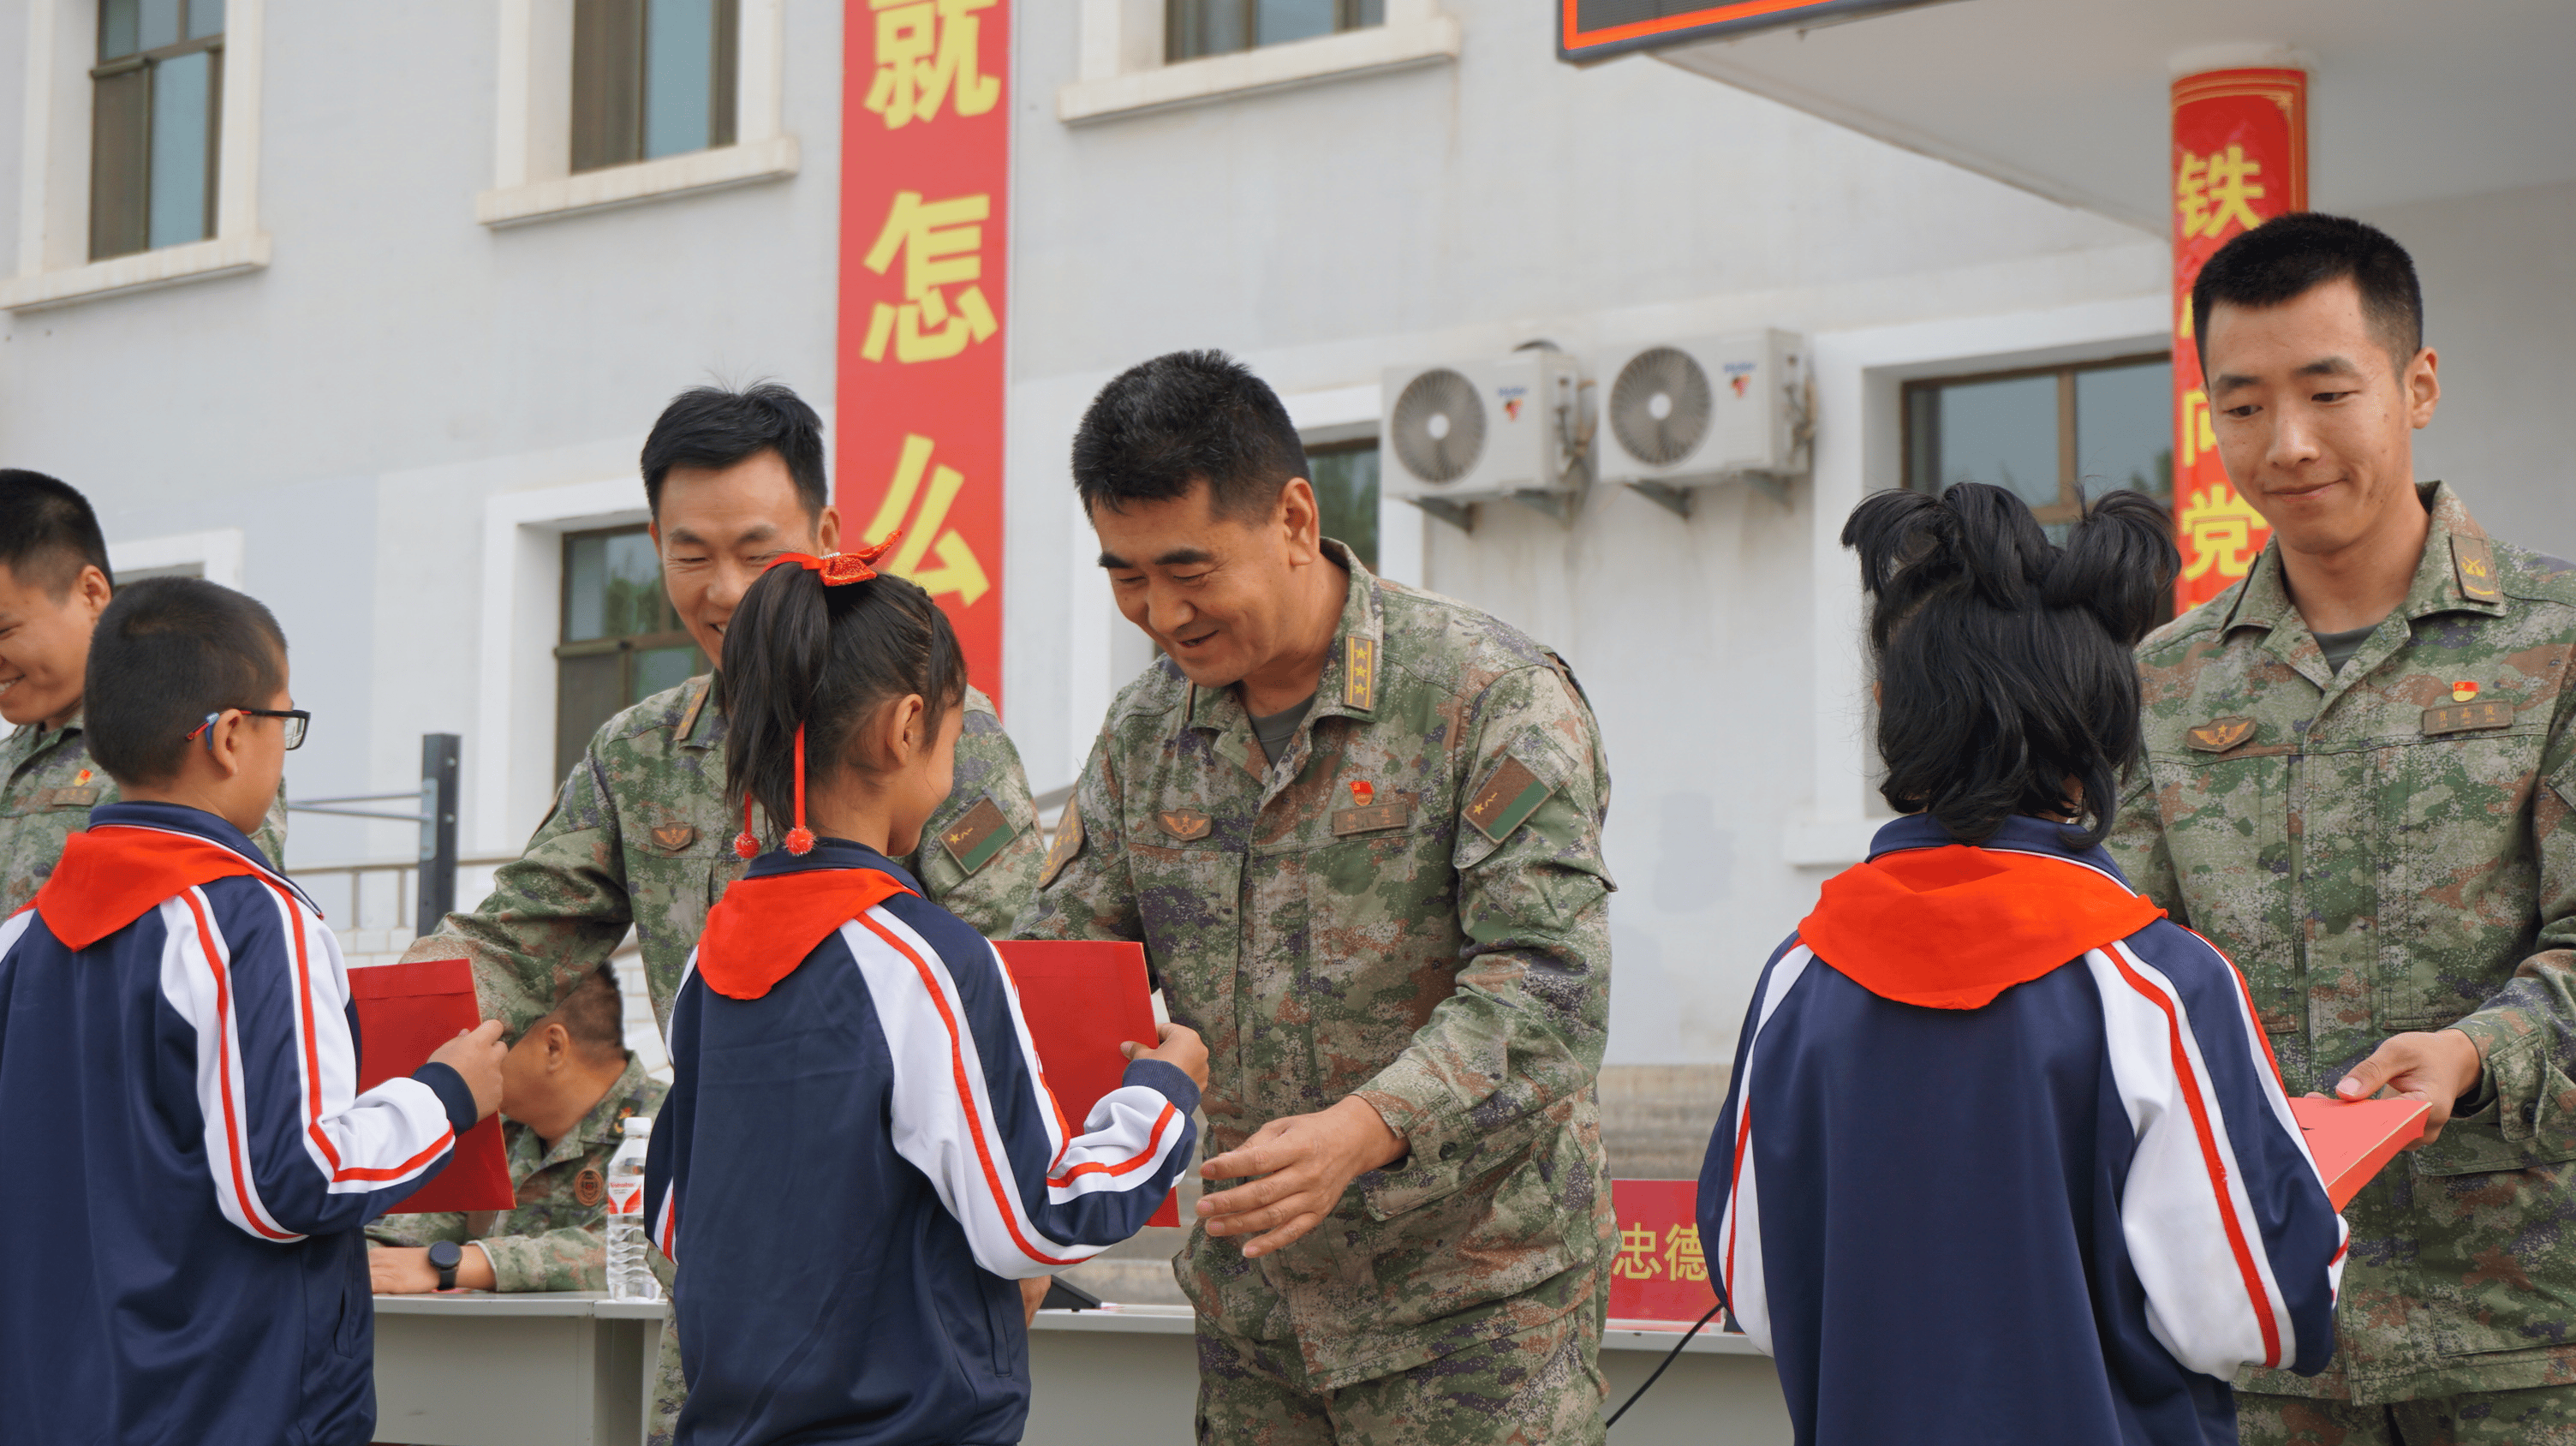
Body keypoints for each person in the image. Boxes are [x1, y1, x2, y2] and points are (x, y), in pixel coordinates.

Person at [400, 382, 1046, 1437]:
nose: (726, 588)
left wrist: (1024, 1228)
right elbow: (514, 940)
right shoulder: (638, 753)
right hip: (724, 1297)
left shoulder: (935, 735)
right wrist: (338, 1015)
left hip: (904, 1298)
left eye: (757, 547)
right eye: (689, 553)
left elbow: (1021, 966)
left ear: (829, 536)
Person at [1015, 350, 1618, 1443]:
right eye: (1126, 575)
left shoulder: (1486, 697)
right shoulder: (1147, 735)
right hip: (1256, 1322)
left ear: (1293, 516)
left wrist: (1363, 1127)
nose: (1160, 611)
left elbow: (1548, 984)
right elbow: (1060, 972)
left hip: (1471, 1320)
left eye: (1189, 569)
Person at [1701, 482, 2345, 1446]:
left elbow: (1751, 1285)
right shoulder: (2156, 984)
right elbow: (2259, 1310)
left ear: (1892, 715)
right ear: (2100, 733)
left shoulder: (1798, 976)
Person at [2107, 213, 2576, 1443]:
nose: (2289, 444)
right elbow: (2125, 966)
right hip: (2265, 1330)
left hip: (2523, 1337)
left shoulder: (2557, 643)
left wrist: (2478, 1054)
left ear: (2418, 384)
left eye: (2328, 391)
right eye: (2245, 404)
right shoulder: (2167, 679)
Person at [644, 542, 1205, 1444]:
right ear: (907, 728)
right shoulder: (927, 959)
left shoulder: (707, 959)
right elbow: (1032, 1221)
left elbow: (674, 1216)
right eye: (950, 736)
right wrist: (1162, 1096)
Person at [0, 577, 508, 1445]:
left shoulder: (22, 936)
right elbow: (286, 1183)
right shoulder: (249, 917)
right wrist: (445, 1093)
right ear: (232, 734)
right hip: (229, 1396)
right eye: (286, 722)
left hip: (59, 1395)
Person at [0, 469, 283, 913]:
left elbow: (231, 915)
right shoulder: (9, 760)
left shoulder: (187, 739)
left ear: (91, 593)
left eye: (3, 630)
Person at [367, 962, 667, 1294]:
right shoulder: (489, 1128)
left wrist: (461, 1265)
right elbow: (402, 1242)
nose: (460, 1054)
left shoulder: (674, 1129)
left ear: (553, 1046)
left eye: (487, 1039)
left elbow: (647, 1251)